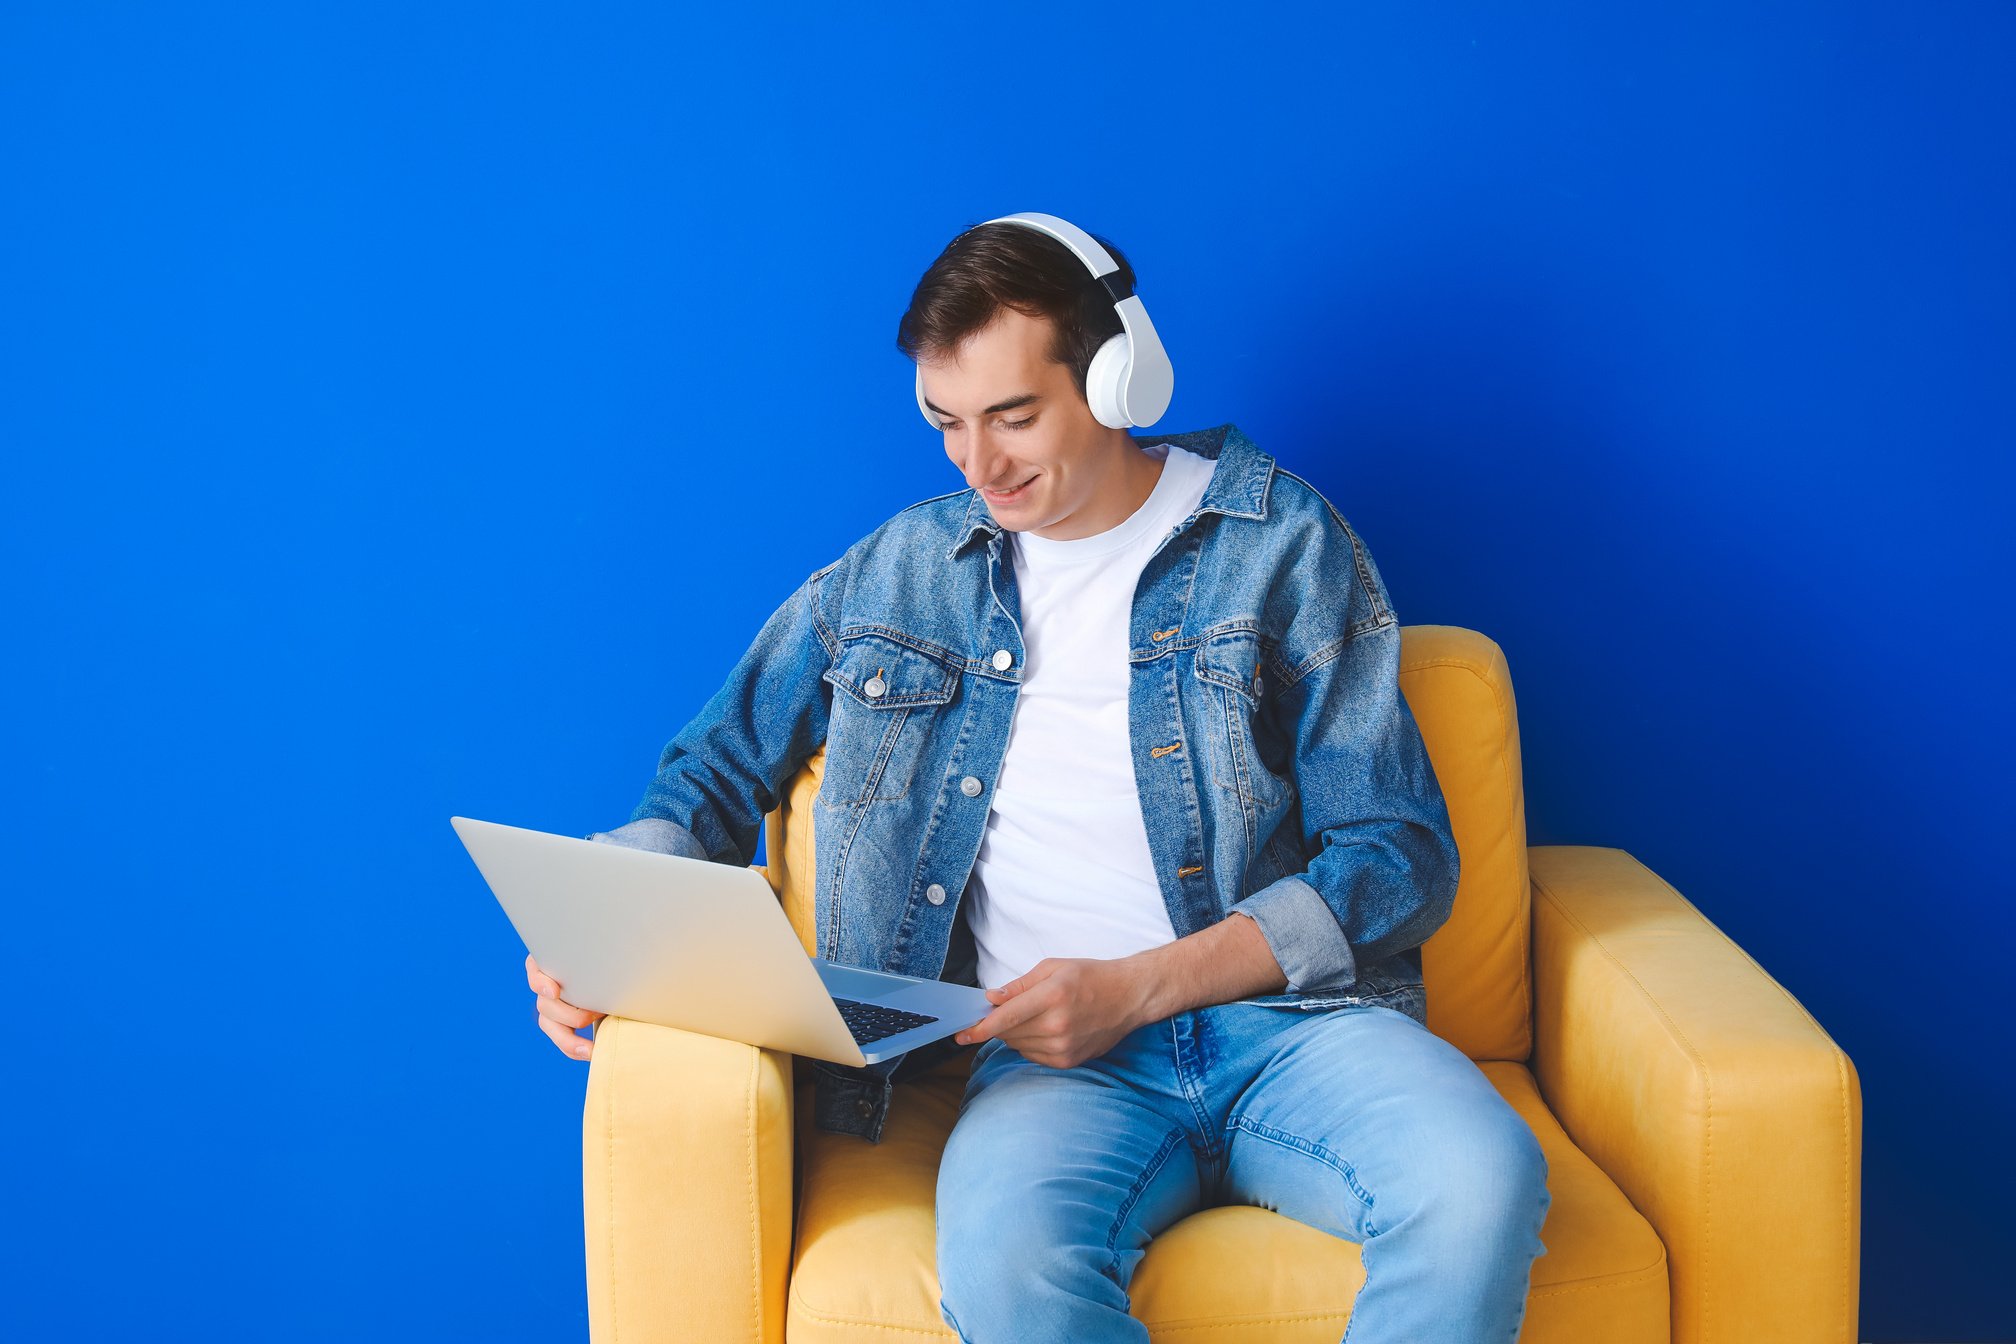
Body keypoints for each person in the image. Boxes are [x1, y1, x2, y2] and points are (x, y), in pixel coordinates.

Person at [525, 214, 1551, 1343]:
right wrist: (613, 933)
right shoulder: (900, 572)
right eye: (946, 423)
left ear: (1118, 378)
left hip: (1303, 1032)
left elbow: (1394, 854)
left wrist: (1141, 986)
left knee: (1480, 1183)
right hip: (1048, 1073)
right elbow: (712, 771)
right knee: (1008, 1271)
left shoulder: (1280, 540)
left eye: (1014, 415)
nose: (981, 463)